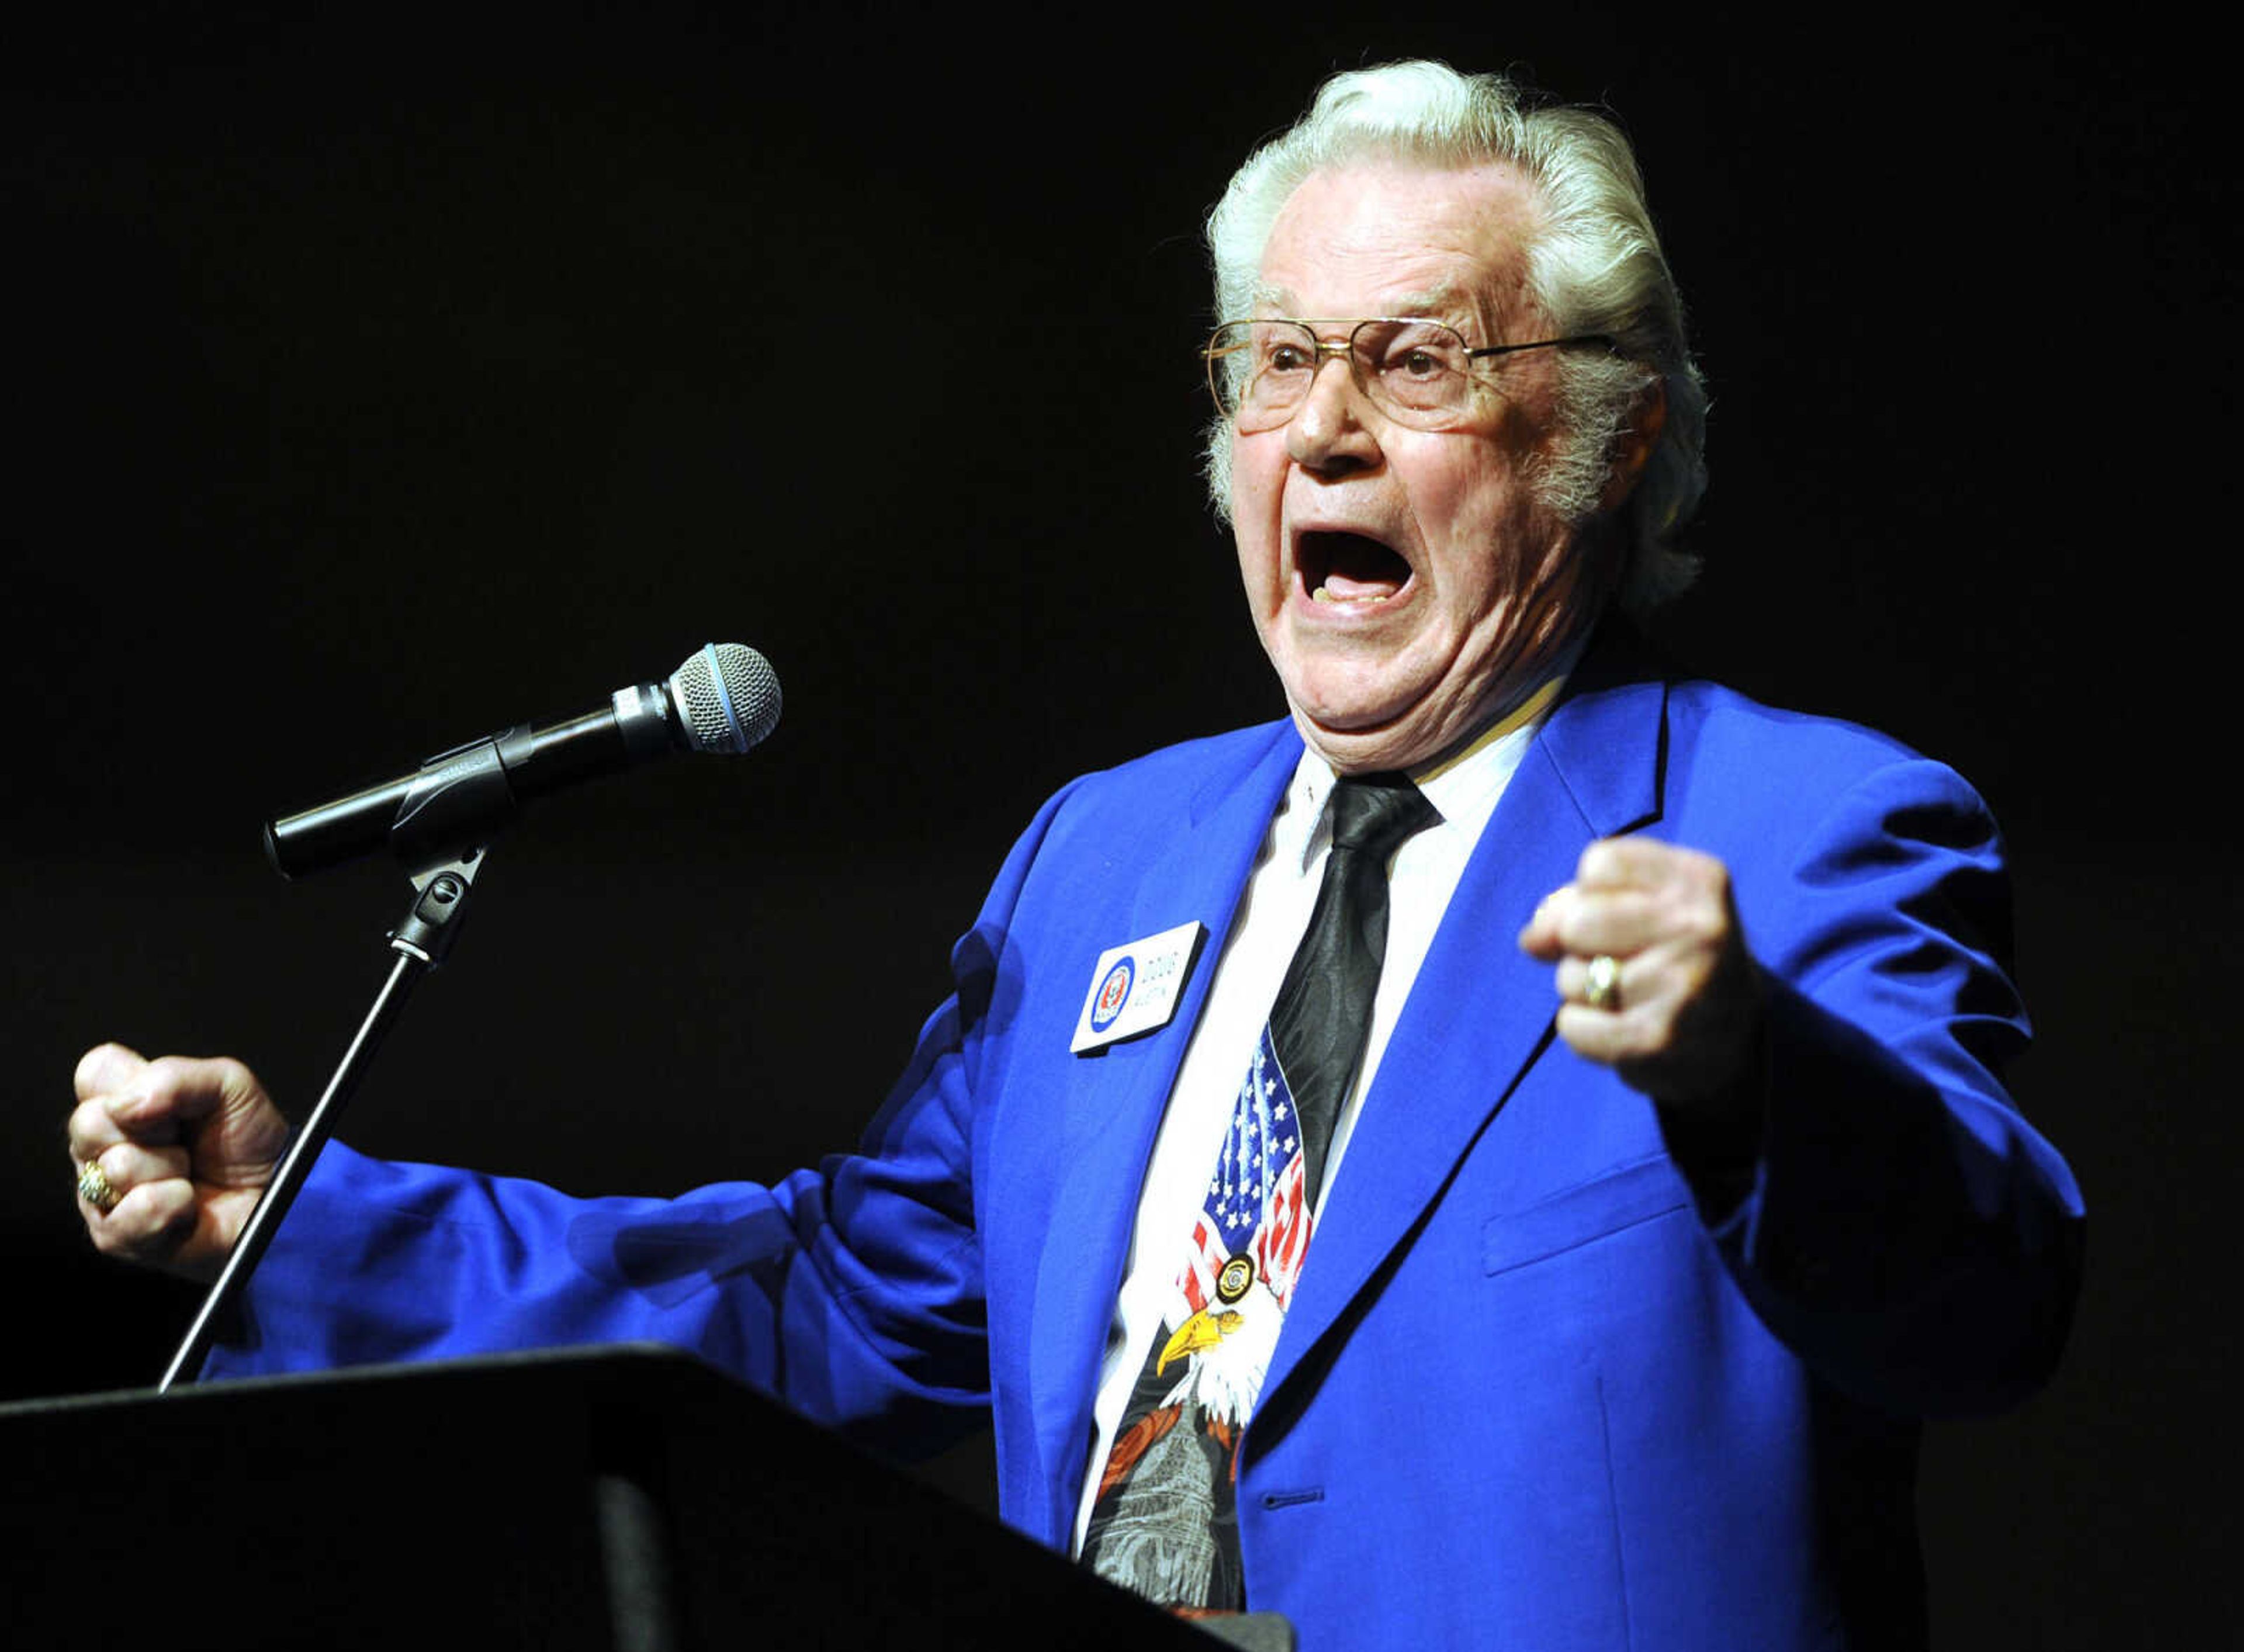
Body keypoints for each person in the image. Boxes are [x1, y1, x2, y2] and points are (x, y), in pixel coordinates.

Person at [68, 61, 2082, 1649]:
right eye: (1278, 366)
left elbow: (1986, 1303)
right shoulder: (1106, 861)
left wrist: (1751, 1073)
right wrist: (294, 1220)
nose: (1327, 433)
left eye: (1417, 361)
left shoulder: (1799, 825)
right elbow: (820, 1308)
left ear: (1609, 442)